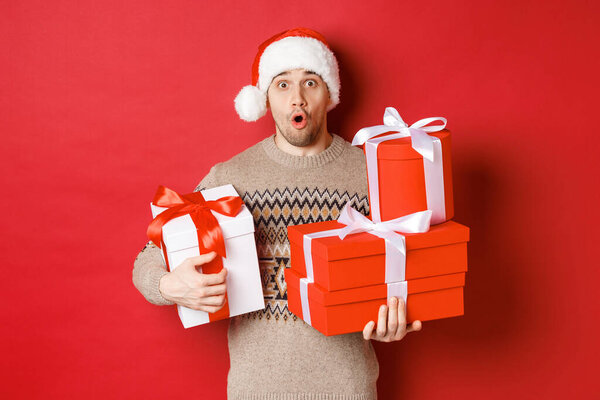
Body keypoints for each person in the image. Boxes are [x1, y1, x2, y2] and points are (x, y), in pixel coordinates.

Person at [132, 27, 421, 400]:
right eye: (282, 85)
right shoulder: (229, 178)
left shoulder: (371, 173)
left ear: (329, 93)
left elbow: (412, 270)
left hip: (347, 389)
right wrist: (171, 286)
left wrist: (397, 316)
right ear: (265, 97)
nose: (297, 99)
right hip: (255, 391)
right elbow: (146, 260)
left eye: (310, 82)